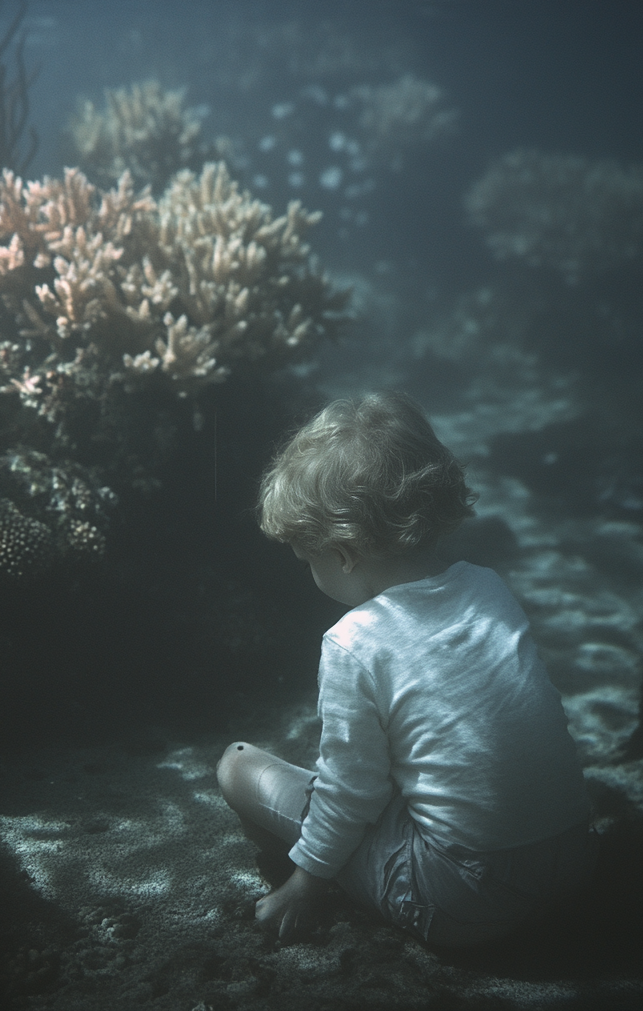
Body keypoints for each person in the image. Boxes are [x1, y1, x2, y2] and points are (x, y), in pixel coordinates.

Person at [216, 392, 597, 946]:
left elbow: (350, 793)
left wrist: (304, 886)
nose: (309, 573)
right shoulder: (488, 589)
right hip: (573, 860)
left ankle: (320, 876)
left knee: (237, 766)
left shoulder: (354, 641)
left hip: (466, 899)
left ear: (343, 552)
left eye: (307, 559)